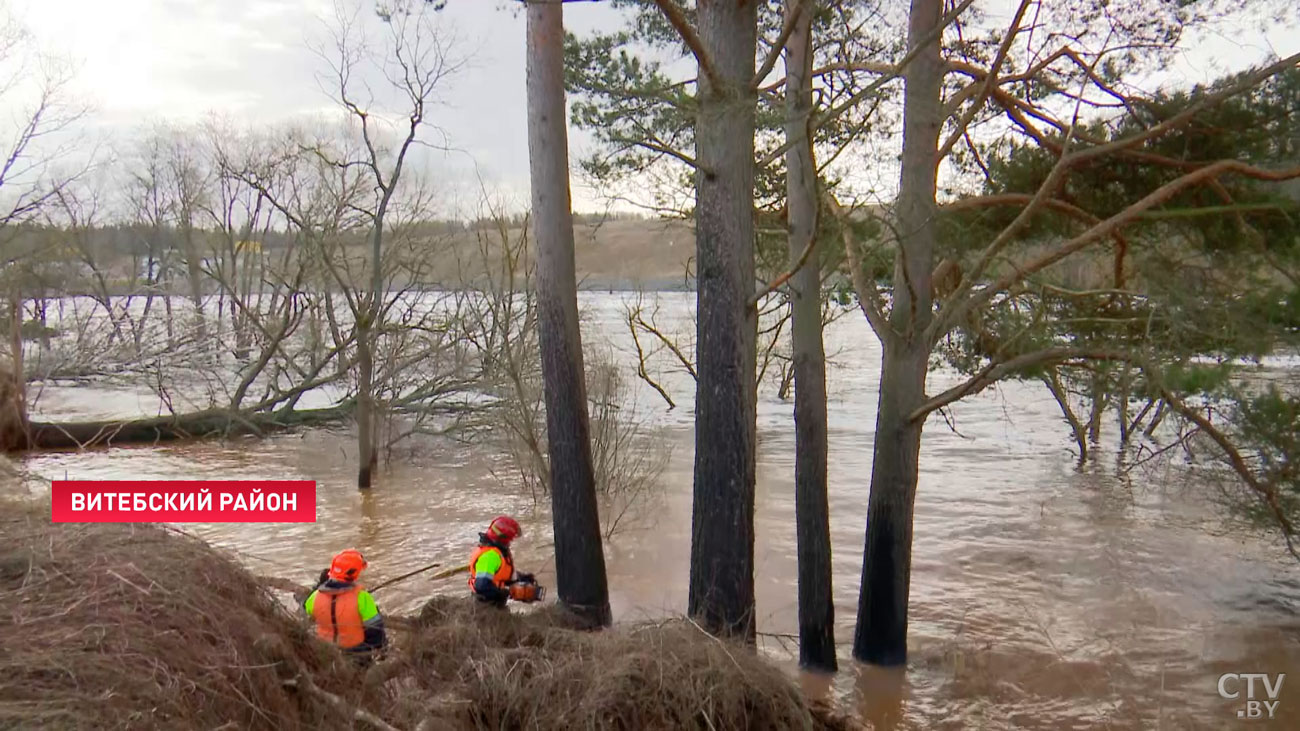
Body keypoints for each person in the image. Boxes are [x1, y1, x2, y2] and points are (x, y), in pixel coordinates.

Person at [304, 549, 387, 662]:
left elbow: (307, 611)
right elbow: (376, 630)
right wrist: (379, 649)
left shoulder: (315, 596)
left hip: (326, 650)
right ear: (354, 574)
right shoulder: (362, 597)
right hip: (357, 652)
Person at [468, 515, 540, 607]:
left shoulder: (496, 553)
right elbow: (482, 586)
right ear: (503, 538)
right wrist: (505, 593)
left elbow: (500, 574)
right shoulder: (490, 556)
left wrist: (522, 578)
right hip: (485, 605)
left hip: (492, 602)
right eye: (509, 540)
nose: (509, 544)